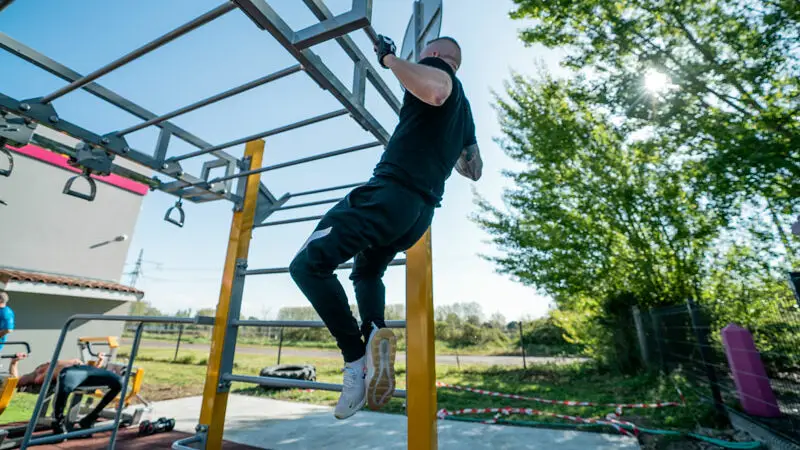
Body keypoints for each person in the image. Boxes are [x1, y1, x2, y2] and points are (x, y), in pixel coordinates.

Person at [288, 34, 482, 420]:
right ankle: (375, 332)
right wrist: (445, 141)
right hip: (418, 216)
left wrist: (391, 59)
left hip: (390, 193)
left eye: (424, 54)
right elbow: (473, 169)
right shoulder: (467, 113)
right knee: (367, 270)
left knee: (306, 266)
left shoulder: (440, 74)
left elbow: (437, 90)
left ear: (437, 56)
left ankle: (355, 360)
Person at [9, 352, 122, 433]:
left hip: (84, 369)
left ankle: (90, 417)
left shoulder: (47, 366)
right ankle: (58, 421)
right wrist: (14, 362)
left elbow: (92, 370)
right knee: (65, 382)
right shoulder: (37, 374)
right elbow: (16, 381)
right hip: (69, 374)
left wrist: (100, 360)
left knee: (119, 382)